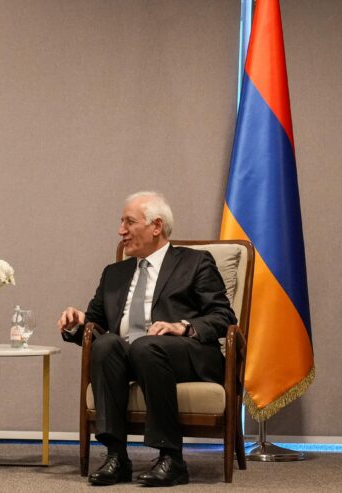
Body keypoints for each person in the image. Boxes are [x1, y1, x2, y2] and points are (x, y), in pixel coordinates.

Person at [57, 191, 236, 487]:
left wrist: (183, 326)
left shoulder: (194, 262)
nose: (121, 230)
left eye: (129, 222)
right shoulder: (114, 273)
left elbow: (224, 316)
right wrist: (77, 323)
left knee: (146, 346)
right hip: (131, 355)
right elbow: (95, 326)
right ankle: (116, 456)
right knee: (105, 344)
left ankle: (171, 457)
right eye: (121, 222)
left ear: (156, 226)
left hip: (183, 355)